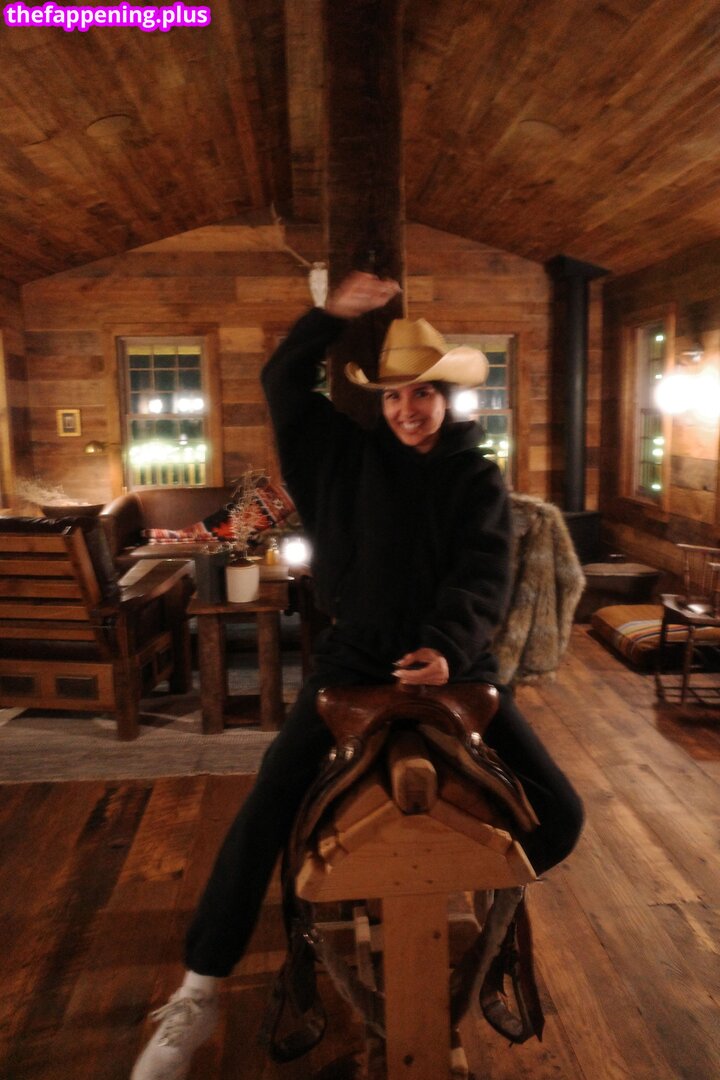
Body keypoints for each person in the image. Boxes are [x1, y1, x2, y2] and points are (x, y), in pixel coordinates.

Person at [131, 272, 584, 1080]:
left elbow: (485, 574)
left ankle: (473, 922)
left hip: (454, 667)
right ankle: (200, 991)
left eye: (424, 393)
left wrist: (447, 646)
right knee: (268, 803)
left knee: (562, 813)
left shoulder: (476, 476)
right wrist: (328, 315)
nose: (409, 409)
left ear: (448, 397)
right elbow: (283, 381)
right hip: (358, 660)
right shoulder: (338, 457)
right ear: (379, 401)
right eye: (395, 395)